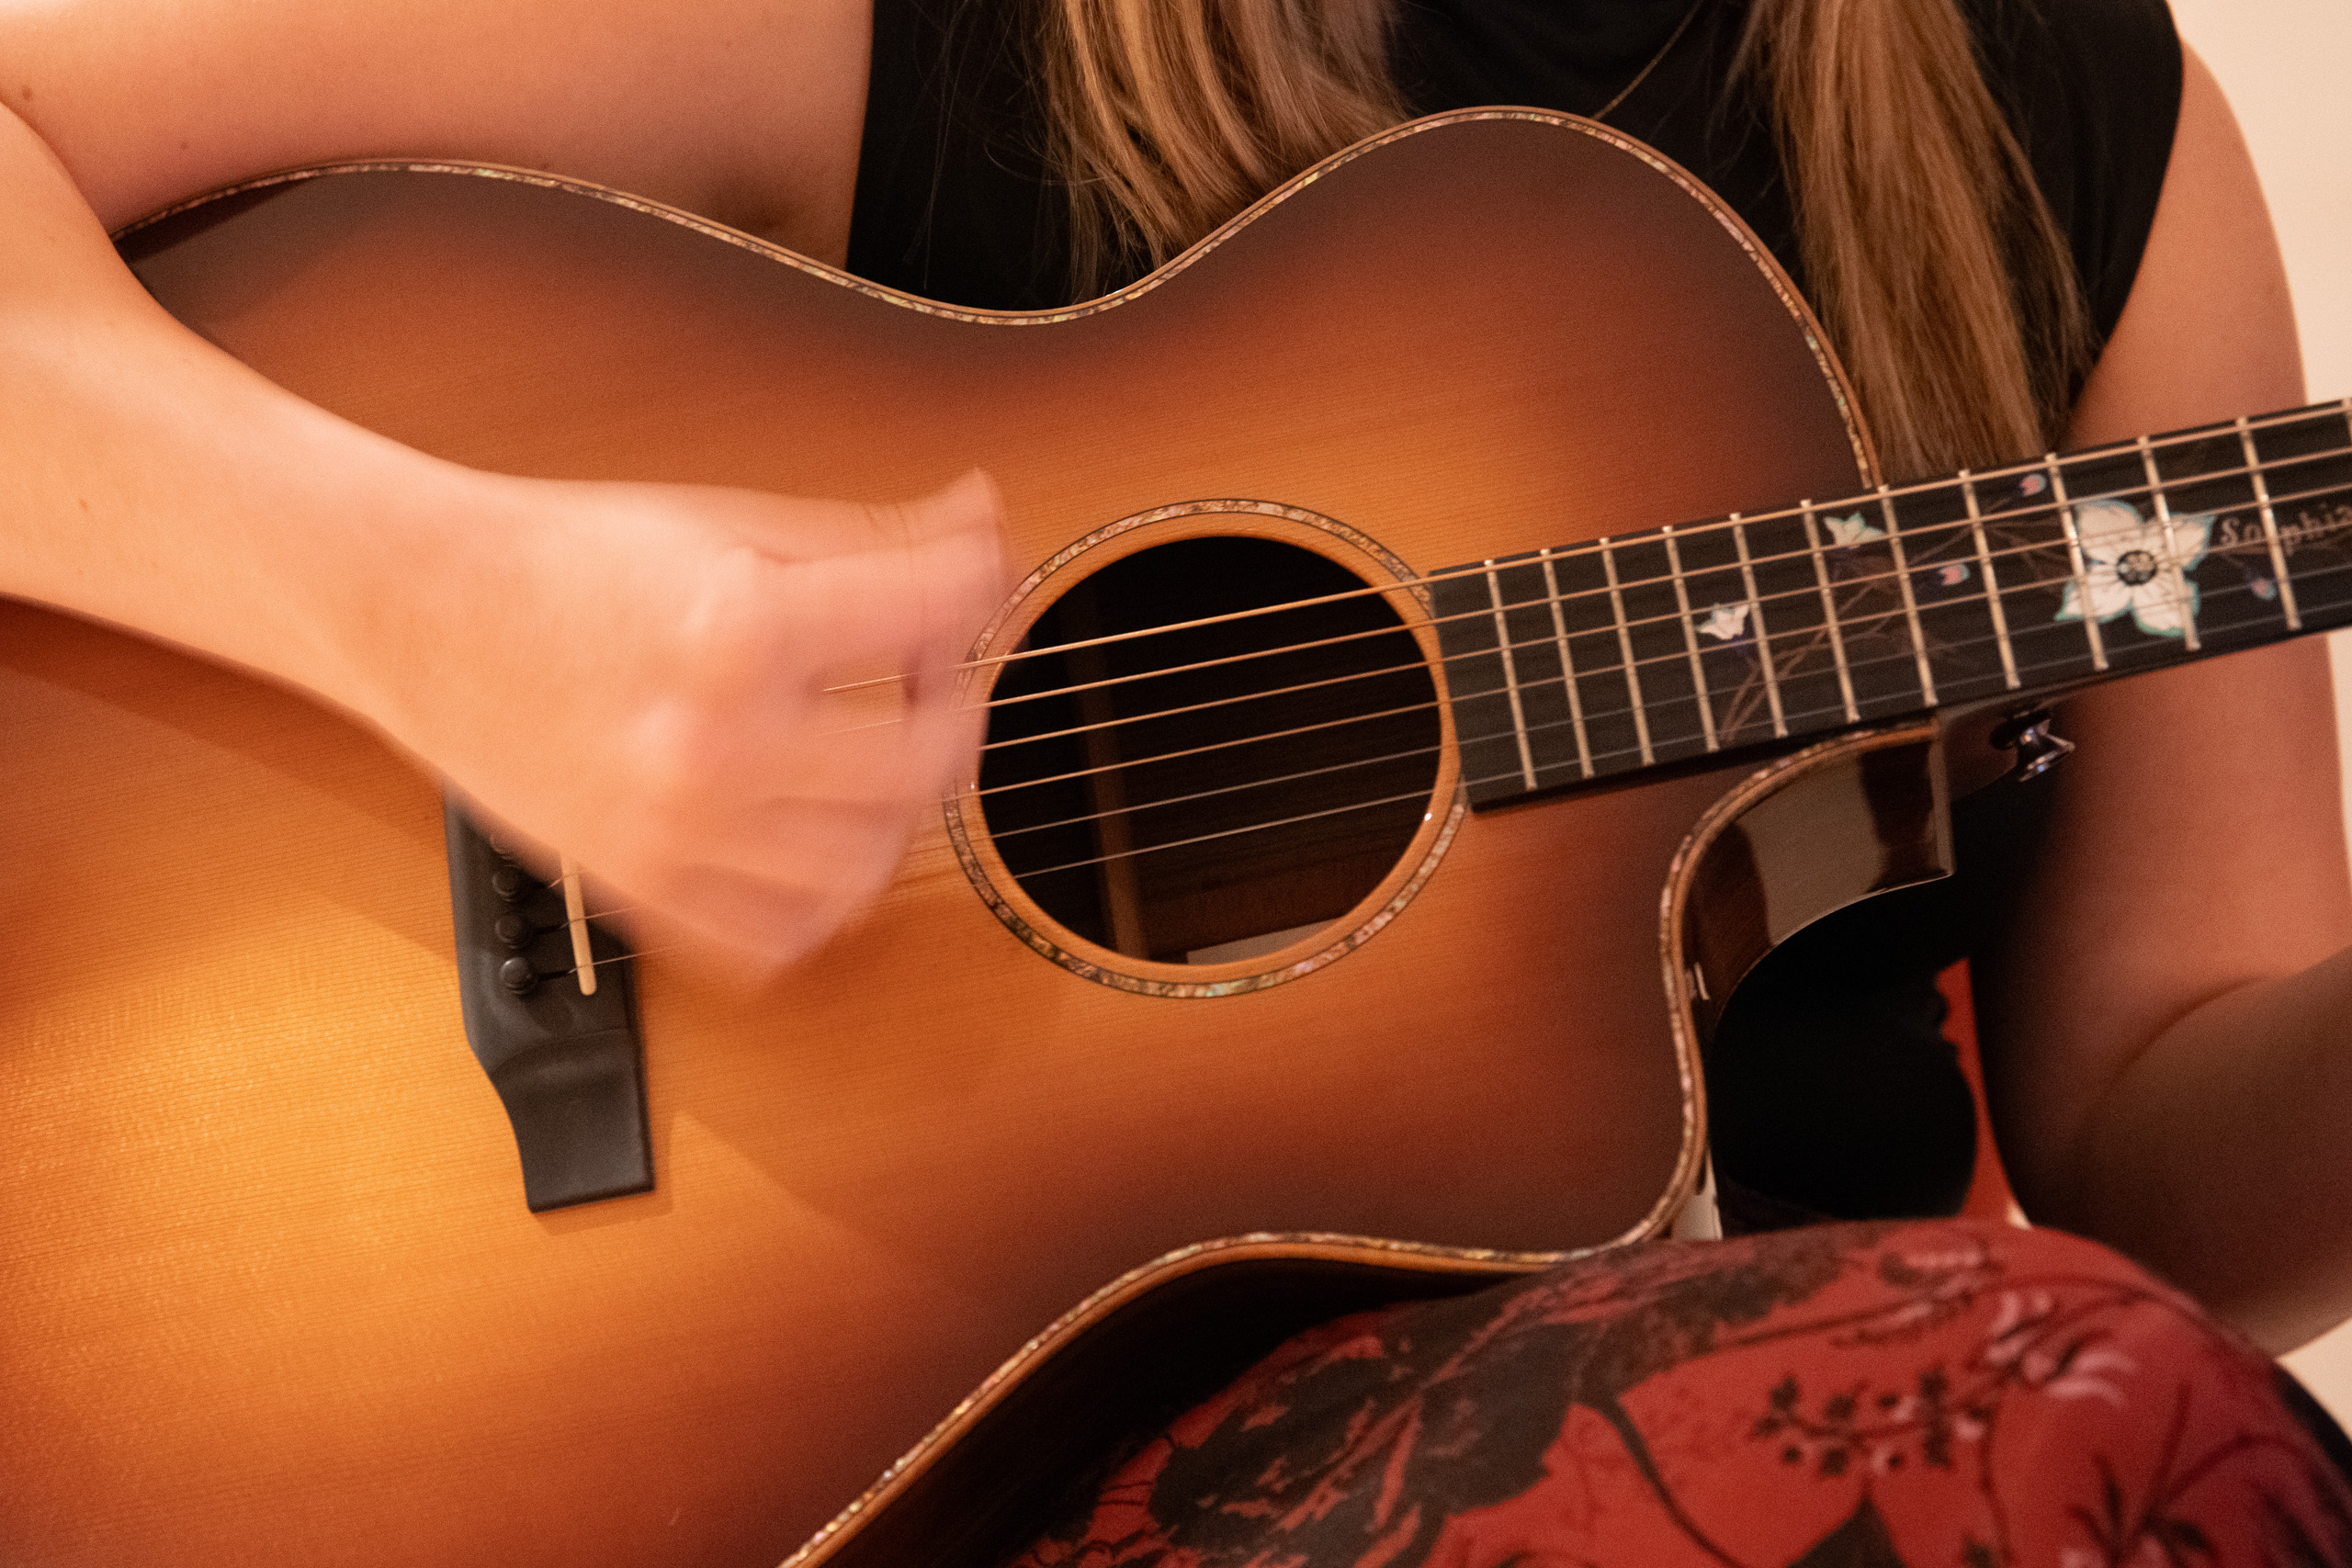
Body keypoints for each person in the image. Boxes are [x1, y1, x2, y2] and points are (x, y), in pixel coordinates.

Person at [1, 0, 2346, 1562]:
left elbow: (2173, 1160)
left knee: (2119, 1435)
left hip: (1788, 1438)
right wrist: (437, 610)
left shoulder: (2067, 115)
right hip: (949, 1487)